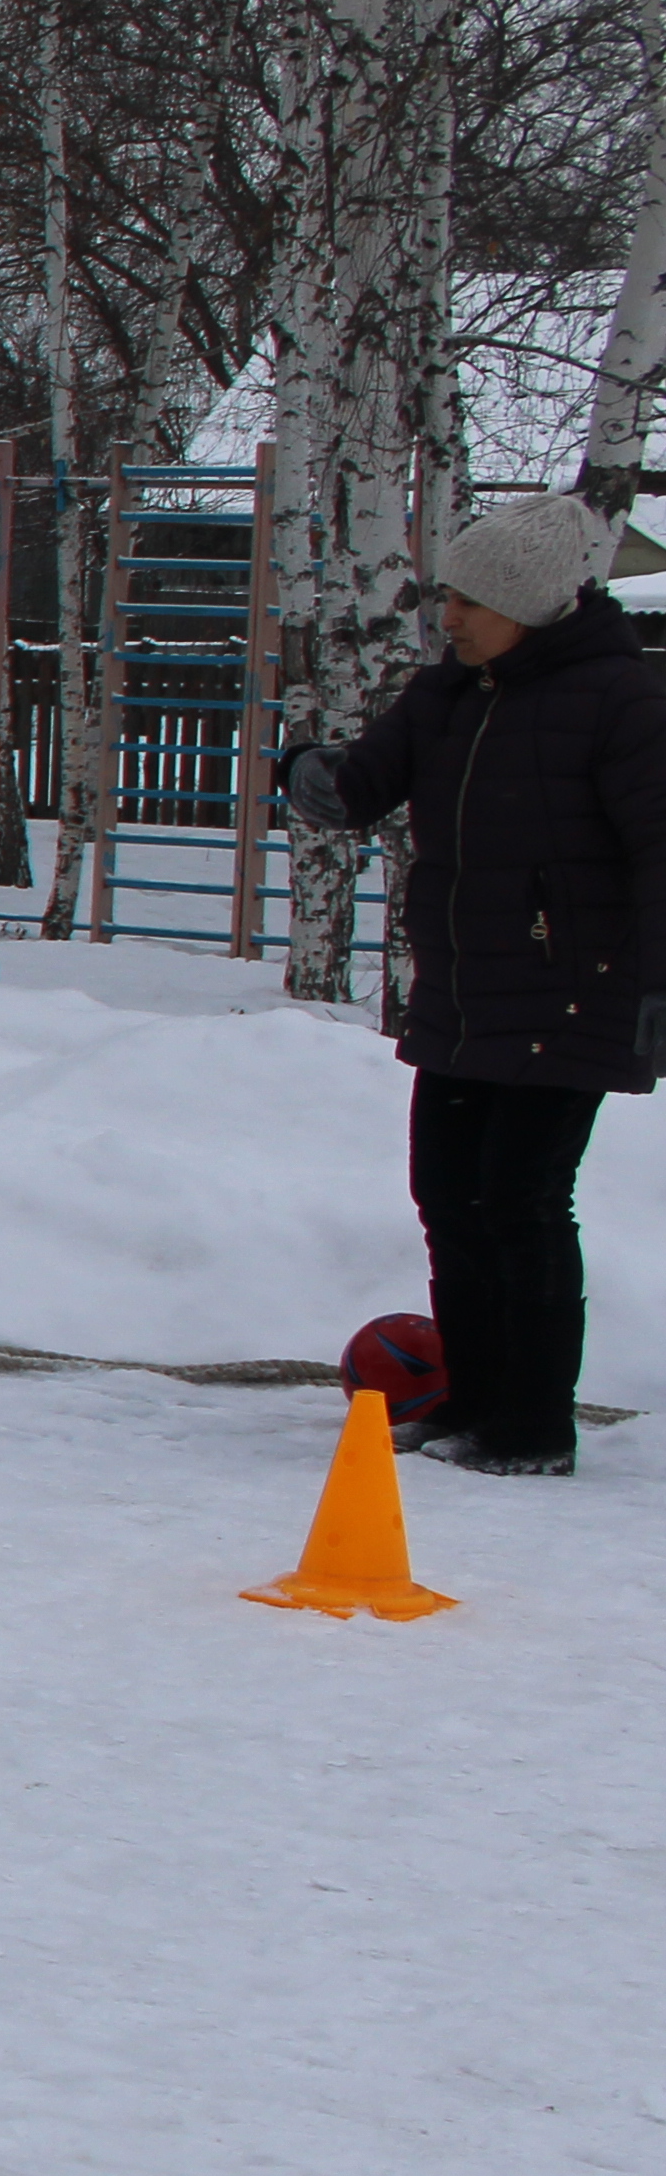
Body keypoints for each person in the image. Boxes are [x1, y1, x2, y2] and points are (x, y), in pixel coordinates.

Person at [290, 490, 666, 1474]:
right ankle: (471, 1404)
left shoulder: (621, 701)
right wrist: (313, 773)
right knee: (449, 1193)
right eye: (448, 597)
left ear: (535, 608)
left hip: (574, 990)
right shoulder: (449, 691)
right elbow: (367, 779)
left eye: (470, 602)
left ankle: (534, 1425)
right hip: (467, 990)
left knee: (522, 1200)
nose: (448, 617)